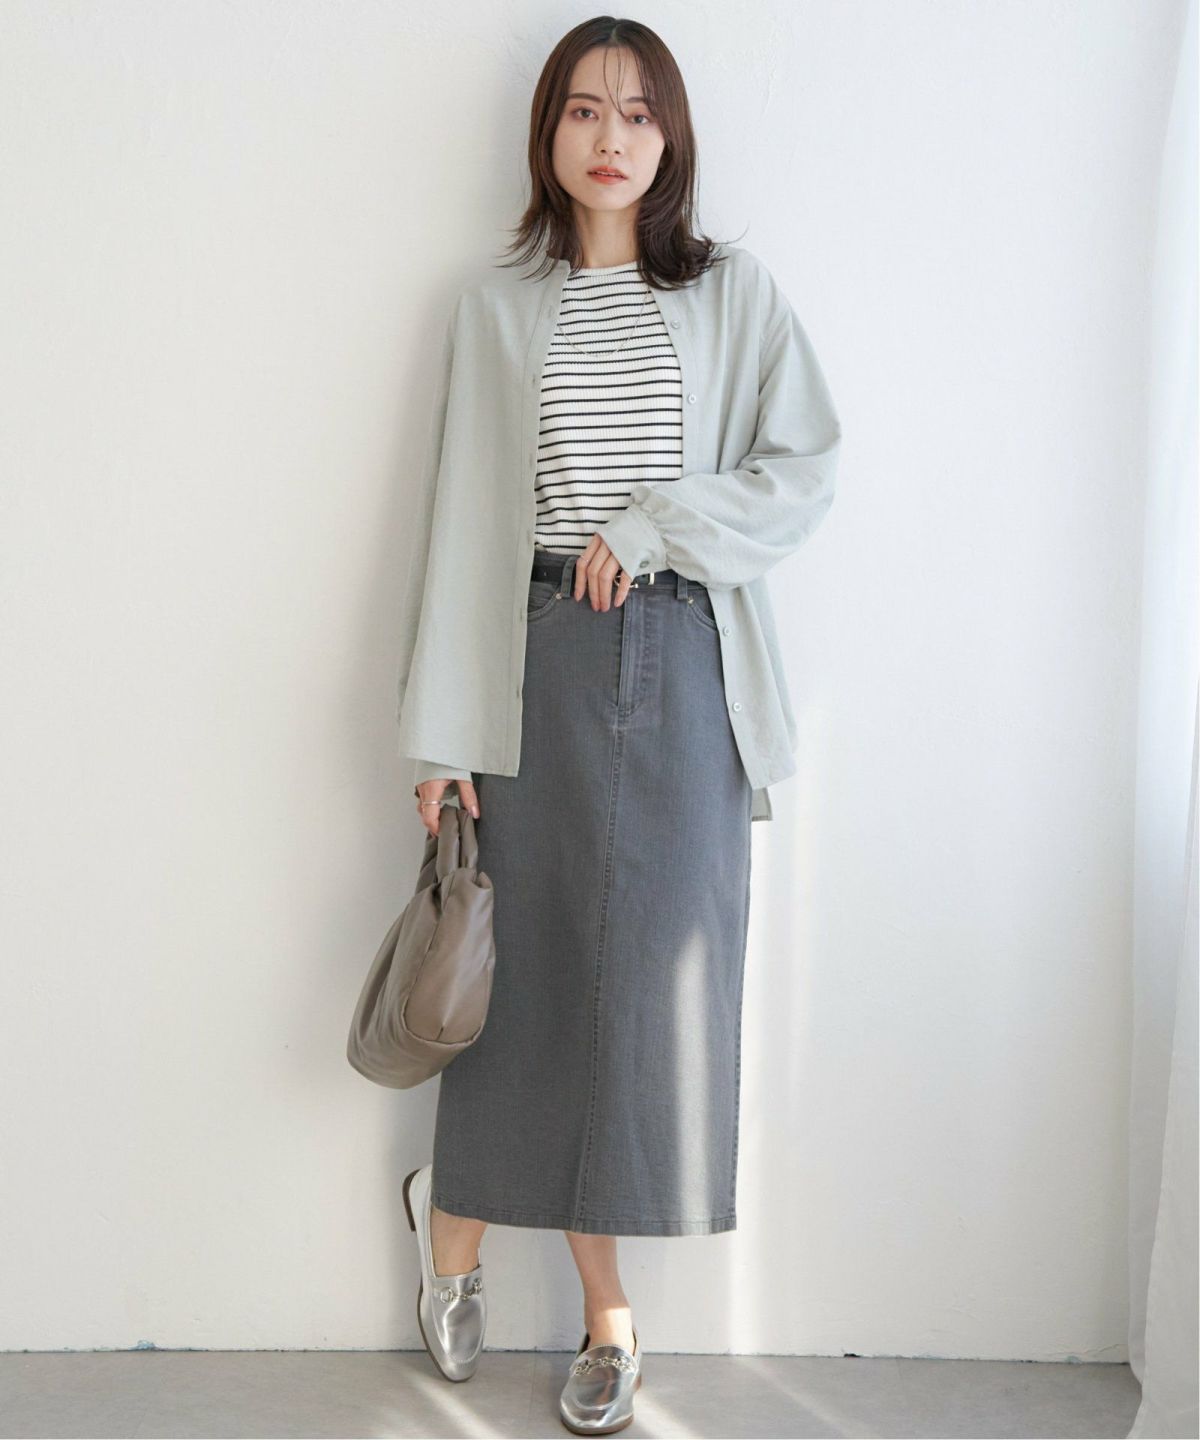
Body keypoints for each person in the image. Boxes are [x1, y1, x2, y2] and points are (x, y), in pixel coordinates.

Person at [396, 17, 841, 1434]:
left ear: (671, 138)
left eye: (639, 113)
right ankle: (454, 1227)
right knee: (516, 976)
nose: (610, 137)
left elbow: (803, 467)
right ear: (548, 134)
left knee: (647, 1000)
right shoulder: (494, 309)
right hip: (530, 658)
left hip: (686, 660)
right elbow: (460, 527)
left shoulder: (731, 295)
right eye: (585, 110)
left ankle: (607, 1311)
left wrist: (656, 524)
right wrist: (441, 738)